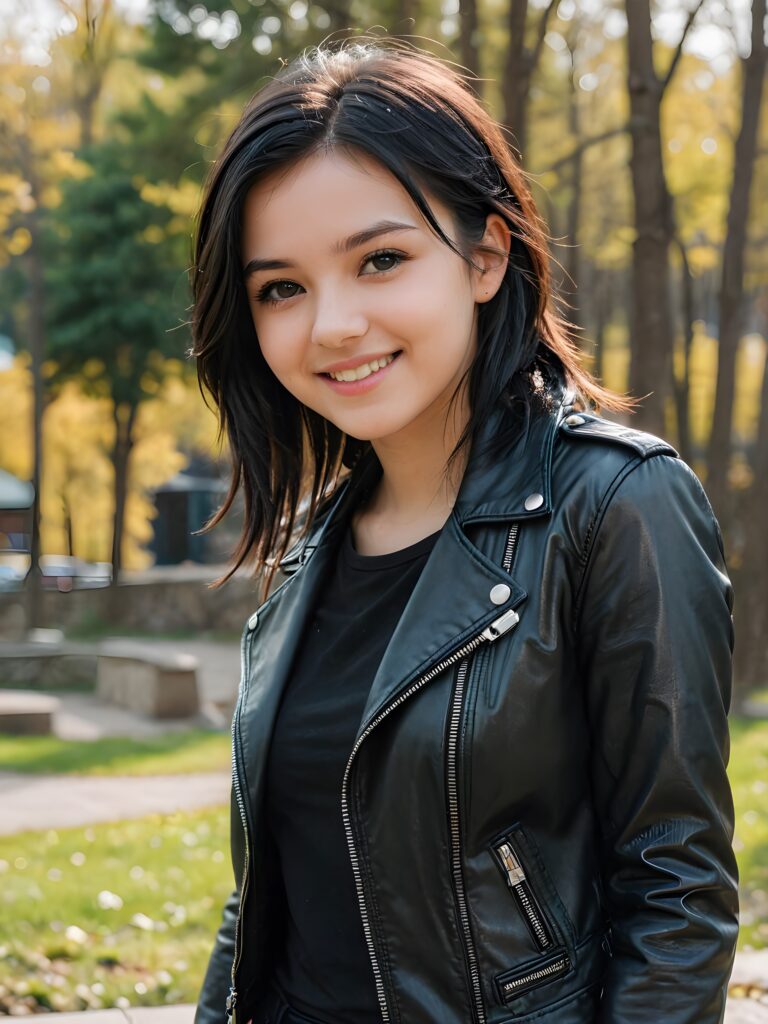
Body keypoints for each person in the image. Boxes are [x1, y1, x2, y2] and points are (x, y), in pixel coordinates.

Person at [190, 38, 739, 1024]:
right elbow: (261, 897)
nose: (332, 325)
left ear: (484, 256)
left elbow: (676, 894)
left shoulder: (618, 505)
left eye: (382, 259)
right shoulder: (308, 548)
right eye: (282, 287)